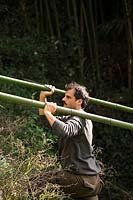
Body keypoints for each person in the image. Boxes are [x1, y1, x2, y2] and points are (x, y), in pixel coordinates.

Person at [31, 82, 103, 200]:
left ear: (79, 101)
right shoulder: (73, 117)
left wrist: (48, 112)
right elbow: (46, 121)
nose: (63, 99)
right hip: (91, 182)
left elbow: (65, 130)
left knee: (35, 183)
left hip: (81, 179)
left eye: (68, 97)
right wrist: (43, 97)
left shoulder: (80, 118)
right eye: (64, 96)